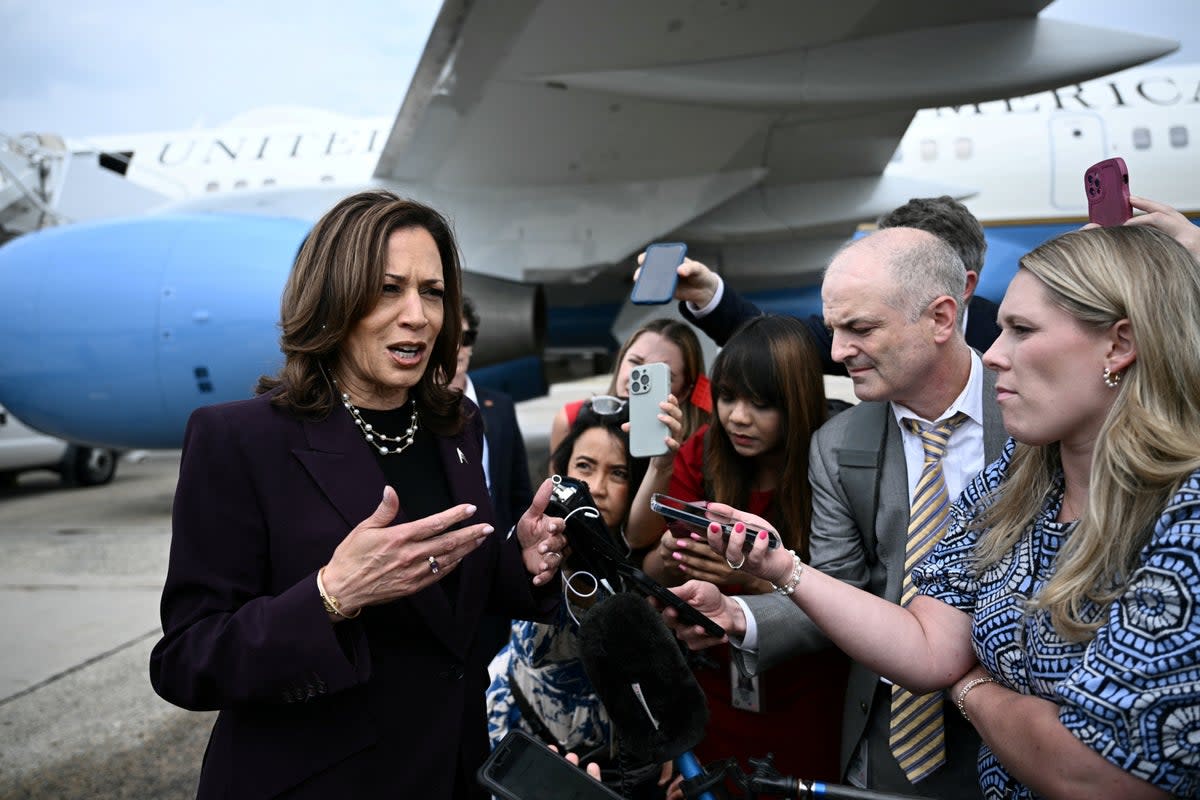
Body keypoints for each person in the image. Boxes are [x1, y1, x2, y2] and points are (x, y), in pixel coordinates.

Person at [698, 224, 1200, 798]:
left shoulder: (1185, 515)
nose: (995, 355)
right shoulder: (1018, 474)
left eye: (1022, 330)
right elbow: (928, 643)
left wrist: (970, 687)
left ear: (1118, 345)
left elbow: (1094, 774)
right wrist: (782, 569)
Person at [148, 191, 567, 800]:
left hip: (454, 772)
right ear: (331, 299)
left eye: (432, 291)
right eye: (388, 289)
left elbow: (446, 607)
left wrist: (519, 561)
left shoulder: (456, 425)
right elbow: (187, 661)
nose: (418, 315)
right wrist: (330, 596)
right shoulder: (239, 439)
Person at [665, 227, 1007, 798]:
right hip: (884, 746)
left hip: (1018, 742)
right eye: (834, 330)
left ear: (942, 318)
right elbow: (838, 588)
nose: (839, 350)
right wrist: (738, 615)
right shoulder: (838, 446)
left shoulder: (1031, 416)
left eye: (861, 328)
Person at [631, 315, 849, 781]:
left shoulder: (831, 462)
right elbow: (643, 553)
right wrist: (670, 559)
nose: (737, 417)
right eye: (728, 397)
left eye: (761, 403)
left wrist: (754, 577)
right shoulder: (702, 450)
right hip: (712, 685)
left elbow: (847, 596)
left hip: (805, 690)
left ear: (796, 401)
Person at [486, 402, 669, 799]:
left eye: (618, 473)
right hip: (528, 750)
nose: (598, 486)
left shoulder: (646, 563)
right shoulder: (545, 549)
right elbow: (535, 650)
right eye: (584, 466)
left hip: (620, 767)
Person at [655, 195, 1002, 364]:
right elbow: (770, 339)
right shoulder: (850, 332)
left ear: (963, 286)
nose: (842, 352)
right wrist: (707, 294)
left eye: (864, 330)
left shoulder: (1008, 348)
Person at [452, 295, 536, 660]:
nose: (457, 348)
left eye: (465, 338)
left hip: (498, 567)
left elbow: (518, 491)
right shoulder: (412, 410)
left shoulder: (497, 406)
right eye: (447, 336)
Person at [548, 317, 708, 457]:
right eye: (635, 362)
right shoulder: (572, 419)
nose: (641, 379)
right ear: (621, 359)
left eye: (660, 374)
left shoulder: (697, 450)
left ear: (684, 392)